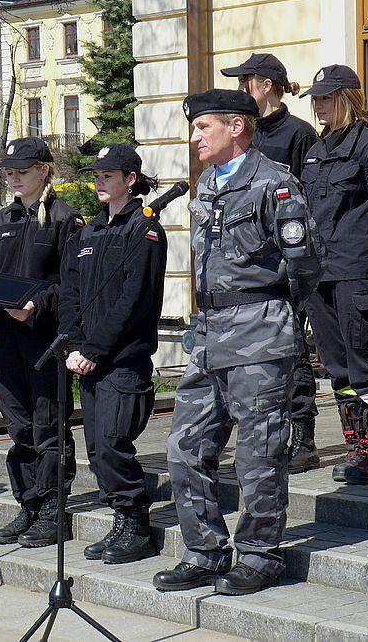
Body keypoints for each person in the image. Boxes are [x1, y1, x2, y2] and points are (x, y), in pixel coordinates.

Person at [155, 88, 321, 596]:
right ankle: (204, 551)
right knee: (184, 446)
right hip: (210, 333)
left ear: (236, 126)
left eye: (203, 127)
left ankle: (259, 554)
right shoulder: (207, 183)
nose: (194, 138)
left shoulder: (275, 183)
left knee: (259, 451)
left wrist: (278, 318)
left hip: (259, 333)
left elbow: (305, 264)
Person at [60, 144, 167, 565]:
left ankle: (136, 525)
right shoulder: (88, 232)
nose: (99, 182)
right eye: (96, 176)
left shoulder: (145, 230)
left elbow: (133, 301)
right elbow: (70, 295)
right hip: (87, 361)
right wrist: (73, 345)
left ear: (130, 179)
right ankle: (121, 519)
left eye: (108, 175)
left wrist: (94, 349)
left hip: (122, 360)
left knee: (112, 443)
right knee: (96, 448)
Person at [0, 137, 82, 547]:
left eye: (22, 171)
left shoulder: (64, 220)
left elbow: (72, 286)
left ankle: (54, 508)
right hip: (7, 336)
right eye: (9, 172)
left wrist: (36, 306)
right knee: (19, 424)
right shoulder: (2, 220)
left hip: (44, 338)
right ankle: (29, 503)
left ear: (44, 170)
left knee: (48, 422)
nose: (14, 178)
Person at [297, 64, 368, 484]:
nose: (319, 106)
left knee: (365, 363)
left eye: (326, 98)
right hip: (321, 276)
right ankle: (357, 445)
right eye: (316, 99)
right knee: (337, 367)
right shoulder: (315, 151)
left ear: (347, 99)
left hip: (359, 273)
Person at [223, 52, 322, 473]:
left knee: (292, 352)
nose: (239, 89)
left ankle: (302, 435)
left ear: (265, 85)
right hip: (246, 270)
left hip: (286, 267)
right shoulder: (240, 134)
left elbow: (311, 200)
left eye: (244, 81)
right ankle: (263, 435)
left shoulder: (298, 134)